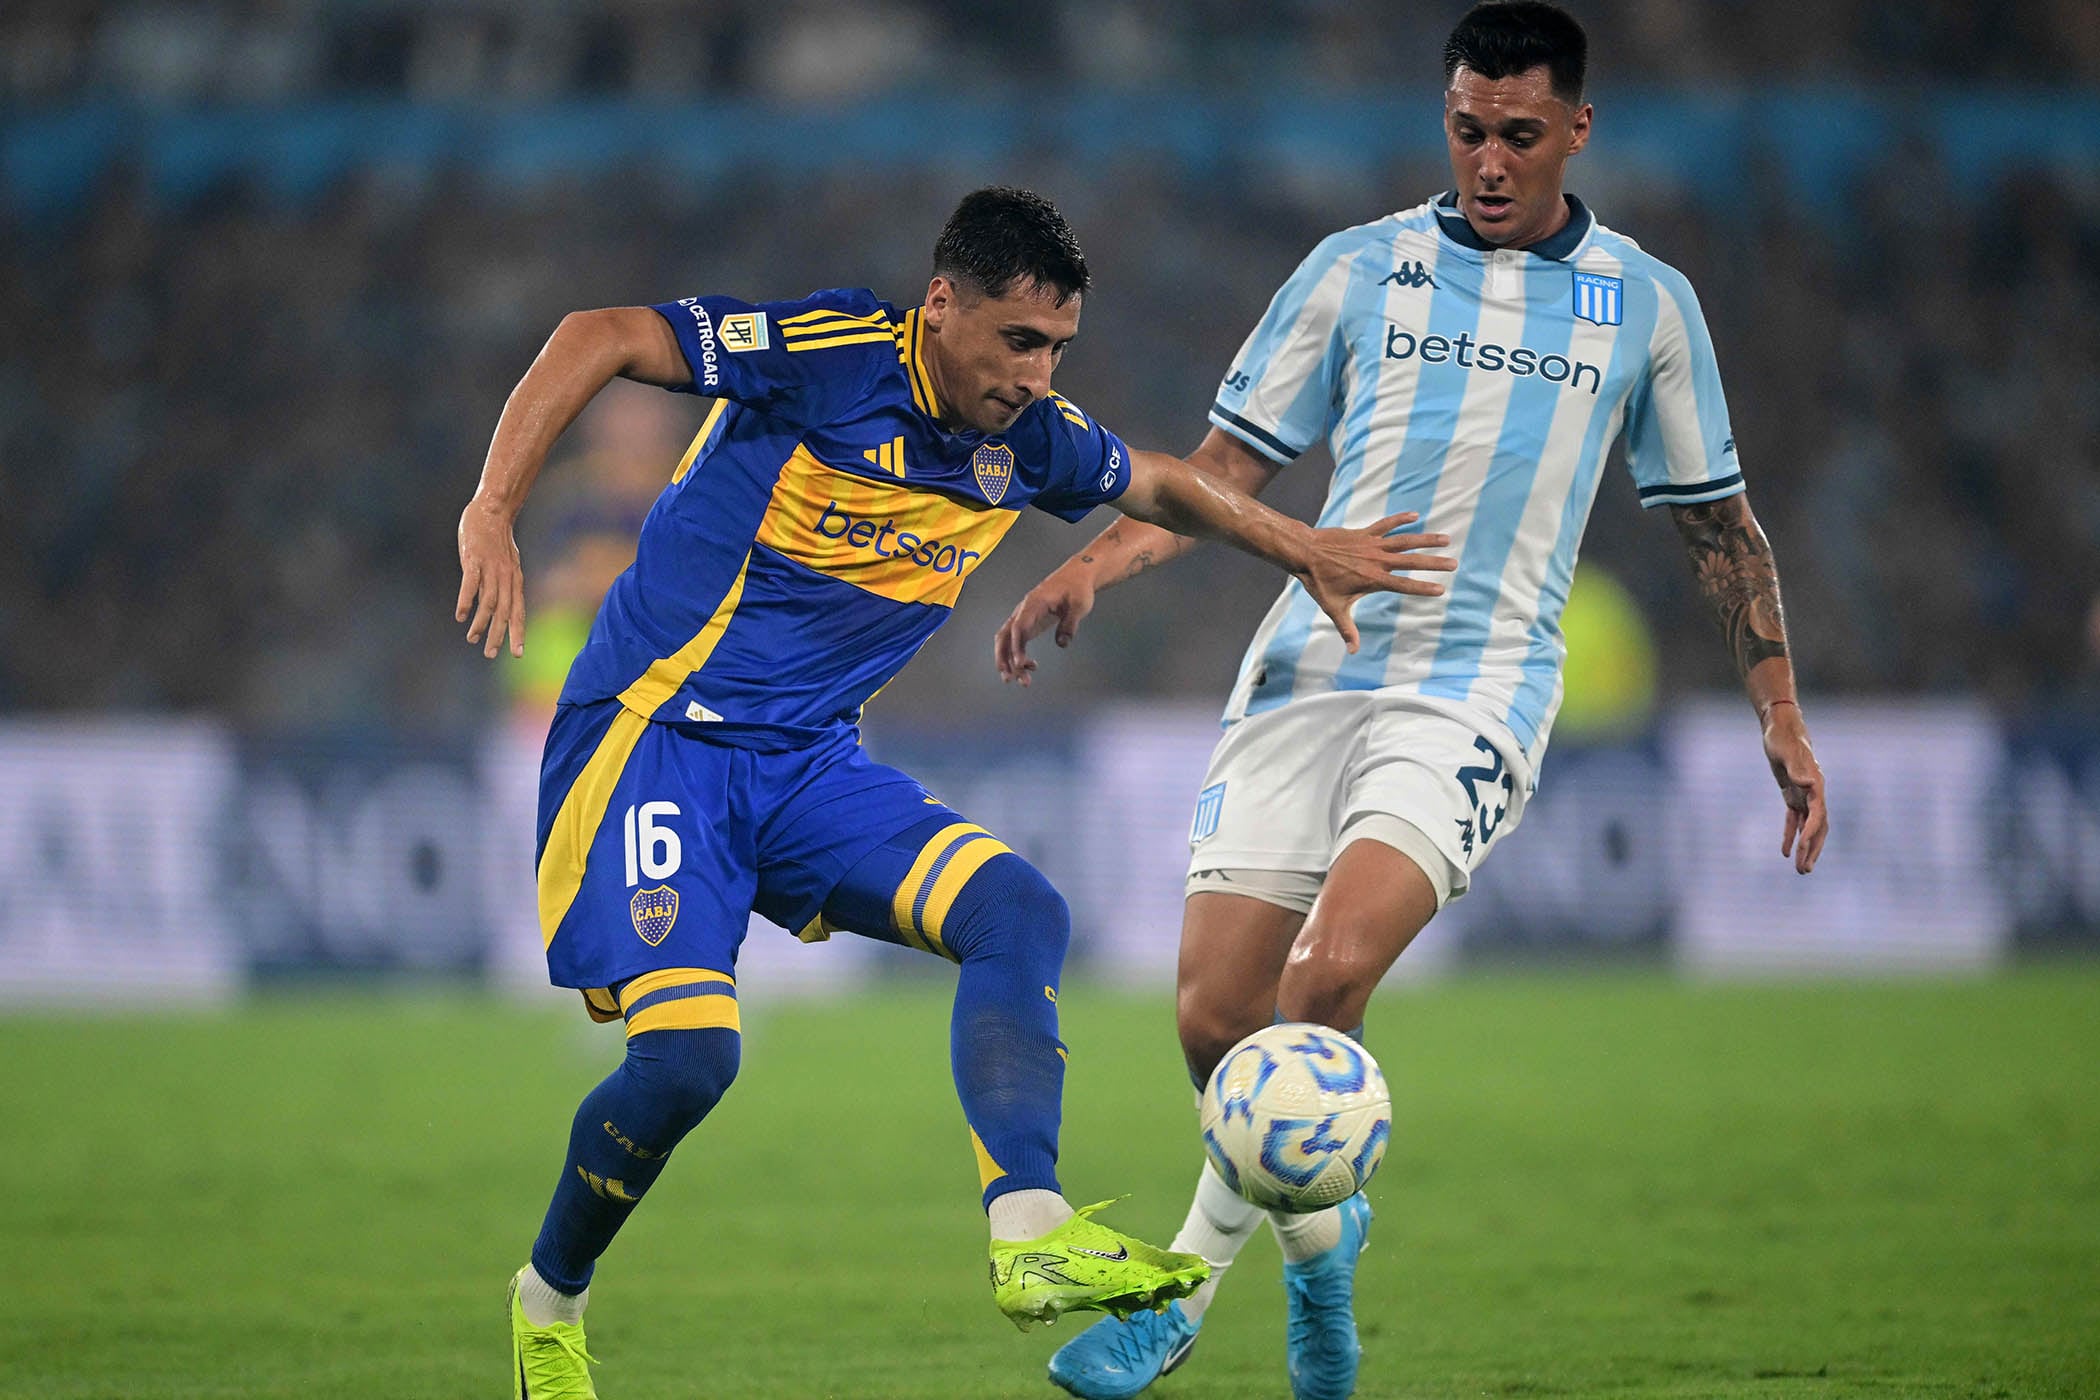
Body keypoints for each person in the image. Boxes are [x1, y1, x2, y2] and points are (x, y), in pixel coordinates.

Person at [453, 186, 1458, 1398]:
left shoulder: (1025, 440)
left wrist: (1305, 549)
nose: (1036, 374)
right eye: (1017, 339)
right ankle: (550, 1296)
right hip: (657, 736)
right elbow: (600, 333)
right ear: (940, 306)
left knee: (1015, 908)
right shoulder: (829, 356)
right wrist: (493, 508)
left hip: (807, 763)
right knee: (688, 1061)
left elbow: (1158, 483)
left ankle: (1029, 1229)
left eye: (1057, 348)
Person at [994, 7, 1831, 1399]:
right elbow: (1222, 472)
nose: (1489, 160)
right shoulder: (1354, 269)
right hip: (1312, 665)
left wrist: (1780, 709)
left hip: (1477, 686)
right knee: (1213, 1018)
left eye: (1519, 134)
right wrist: (1094, 564)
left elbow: (1718, 527)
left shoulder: (1647, 303)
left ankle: (1175, 1301)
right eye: (1466, 130)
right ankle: (1324, 1251)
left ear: (1576, 129)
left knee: (1324, 979)